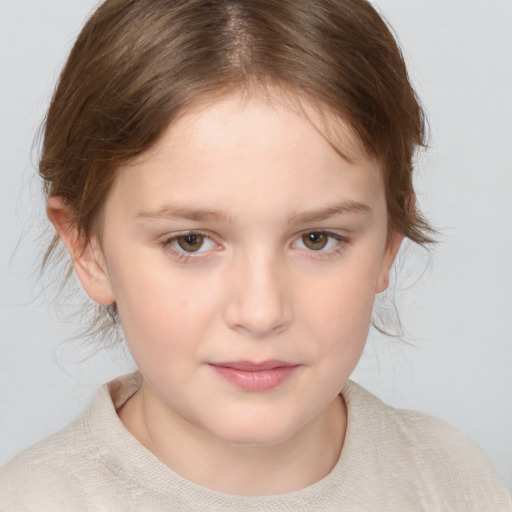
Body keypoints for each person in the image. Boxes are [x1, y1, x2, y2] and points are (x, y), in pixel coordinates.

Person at [1, 0, 510, 509]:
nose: (261, 313)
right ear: (88, 248)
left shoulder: (453, 482)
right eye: (191, 242)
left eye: (317, 238)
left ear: (388, 242)